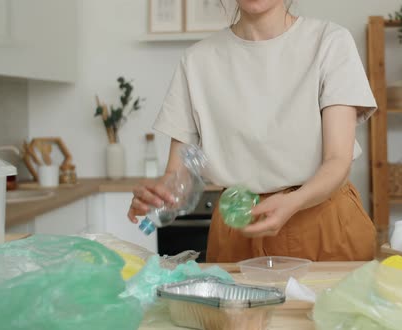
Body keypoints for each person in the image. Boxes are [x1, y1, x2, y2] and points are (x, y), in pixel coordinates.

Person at [128, 0, 377, 263]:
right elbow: (178, 173)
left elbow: (337, 160)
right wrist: (160, 197)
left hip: (324, 223)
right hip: (238, 229)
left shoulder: (330, 42)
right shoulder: (197, 61)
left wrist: (295, 202)